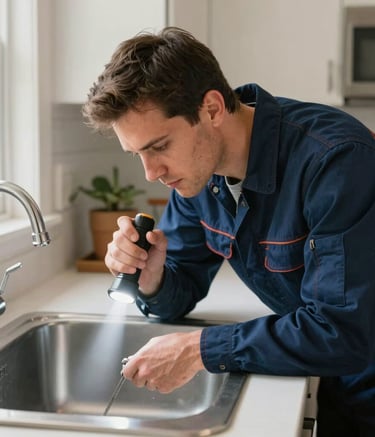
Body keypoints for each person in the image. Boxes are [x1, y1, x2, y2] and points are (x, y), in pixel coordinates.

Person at [82, 27, 375, 436]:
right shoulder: (199, 174)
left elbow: (341, 332)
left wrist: (200, 348)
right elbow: (182, 287)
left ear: (213, 109)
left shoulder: (336, 161)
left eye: (159, 146)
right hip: (338, 380)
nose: (151, 174)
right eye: (138, 155)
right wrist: (153, 281)